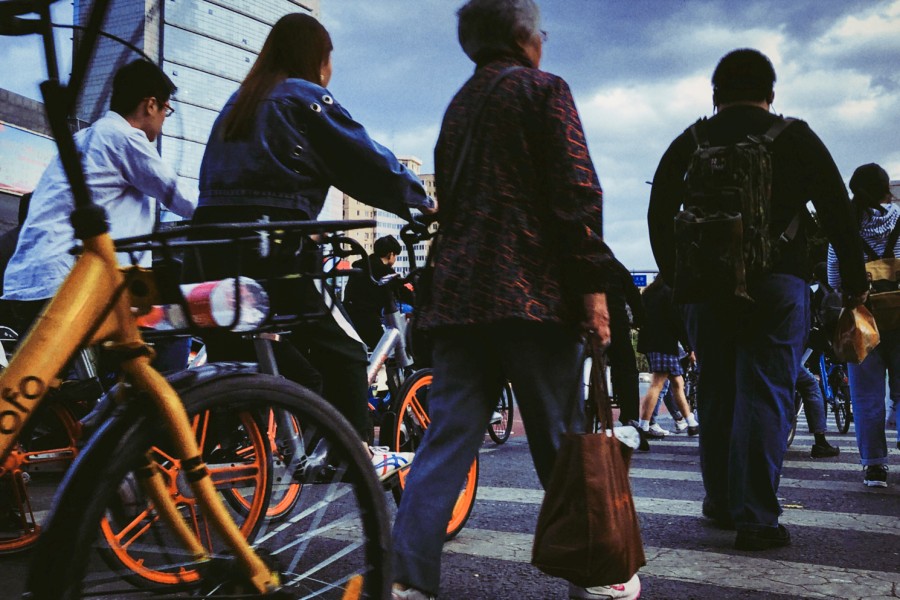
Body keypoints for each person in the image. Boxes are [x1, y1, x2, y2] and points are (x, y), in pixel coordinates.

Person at [391, 2, 632, 599]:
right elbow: (576, 192)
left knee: (446, 441)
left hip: (457, 298)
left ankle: (407, 579)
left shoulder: (459, 107)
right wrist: (592, 291)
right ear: (526, 37)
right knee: (558, 439)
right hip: (531, 295)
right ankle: (596, 575)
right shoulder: (545, 91)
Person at [194, 13, 435, 479]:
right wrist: (422, 202)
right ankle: (357, 452)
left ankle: (285, 432)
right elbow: (364, 160)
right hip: (272, 250)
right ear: (316, 59)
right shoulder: (302, 99)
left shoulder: (237, 104)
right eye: (329, 60)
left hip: (210, 249)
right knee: (345, 347)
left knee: (253, 353)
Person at [648, 48, 868, 549]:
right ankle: (757, 518)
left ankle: (721, 502)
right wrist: (853, 279)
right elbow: (837, 210)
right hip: (778, 283)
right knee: (767, 392)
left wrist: (676, 277)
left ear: (715, 94)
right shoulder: (795, 138)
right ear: (771, 94)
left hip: (704, 289)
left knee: (718, 390)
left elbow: (659, 209)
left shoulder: (692, 139)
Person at [0, 60, 196, 334]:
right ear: (151, 105)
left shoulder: (84, 139)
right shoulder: (124, 138)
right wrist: (223, 208)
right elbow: (183, 199)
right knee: (176, 323)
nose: (164, 120)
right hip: (70, 281)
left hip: (31, 281)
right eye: (167, 110)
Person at [826, 163, 899, 487]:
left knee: (867, 395)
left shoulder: (846, 227)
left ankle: (874, 466)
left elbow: (832, 277)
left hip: (863, 320)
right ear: (887, 190)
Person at [636, 276, 699, 442]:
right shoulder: (669, 293)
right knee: (658, 384)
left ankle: (690, 423)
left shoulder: (648, 293)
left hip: (651, 343)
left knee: (677, 383)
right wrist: (689, 346)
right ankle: (644, 425)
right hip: (665, 343)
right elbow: (677, 322)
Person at [343, 234, 413, 350]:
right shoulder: (384, 271)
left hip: (349, 313)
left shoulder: (362, 265)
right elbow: (401, 291)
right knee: (384, 349)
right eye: (395, 256)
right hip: (366, 317)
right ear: (390, 254)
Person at [606, 257, 645, 429]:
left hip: (581, 321)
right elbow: (634, 296)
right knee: (626, 368)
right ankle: (630, 417)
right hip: (615, 321)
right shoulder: (614, 265)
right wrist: (639, 319)